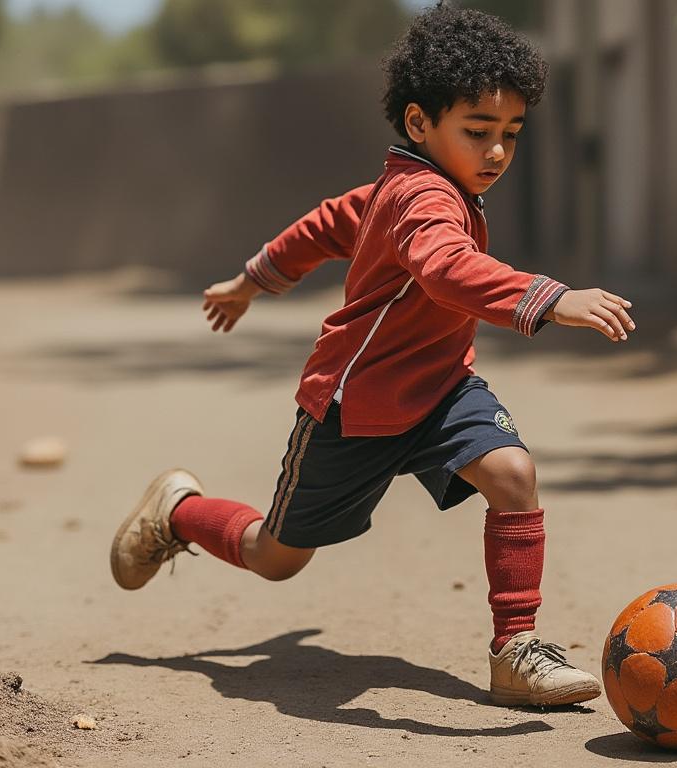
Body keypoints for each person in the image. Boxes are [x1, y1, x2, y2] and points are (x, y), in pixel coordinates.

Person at [110, 4, 635, 707]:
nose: (497, 152)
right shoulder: (422, 199)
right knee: (274, 557)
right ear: (419, 123)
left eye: (510, 133)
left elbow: (327, 225)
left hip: (442, 390)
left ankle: (516, 648)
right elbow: (446, 269)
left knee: (512, 473)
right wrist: (550, 296)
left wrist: (249, 281)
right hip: (354, 407)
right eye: (477, 132)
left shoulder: (414, 187)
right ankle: (179, 510)